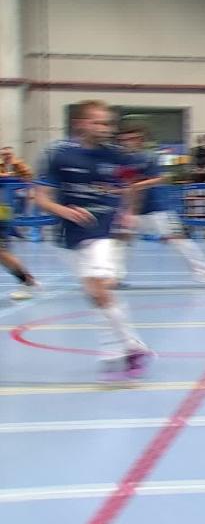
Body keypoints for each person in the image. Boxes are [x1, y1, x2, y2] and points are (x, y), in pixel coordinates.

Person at [35, 100, 152, 381]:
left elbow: (131, 186)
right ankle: (117, 350)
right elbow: (39, 197)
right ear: (81, 124)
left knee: (100, 288)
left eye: (107, 124)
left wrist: (129, 214)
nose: (104, 129)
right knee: (95, 294)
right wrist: (65, 211)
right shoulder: (59, 155)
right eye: (98, 123)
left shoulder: (117, 156)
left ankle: (133, 349)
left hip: (104, 230)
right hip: (71, 233)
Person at [115, 124, 205, 285]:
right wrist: (128, 210)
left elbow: (159, 179)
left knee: (179, 240)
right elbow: (127, 184)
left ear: (140, 139)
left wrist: (136, 186)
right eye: (124, 139)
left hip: (157, 210)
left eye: (132, 138)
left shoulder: (149, 157)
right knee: (121, 242)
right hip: (133, 212)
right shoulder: (123, 160)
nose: (127, 142)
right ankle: (117, 277)